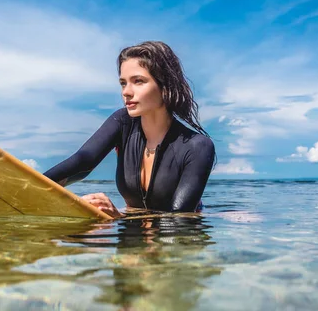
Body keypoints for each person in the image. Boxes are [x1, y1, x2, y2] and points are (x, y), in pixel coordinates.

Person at [44, 41, 215, 218]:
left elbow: (179, 221)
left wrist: (118, 218)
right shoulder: (122, 122)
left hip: (178, 233)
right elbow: (84, 160)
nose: (126, 92)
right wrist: (31, 185)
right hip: (134, 225)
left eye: (138, 81)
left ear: (165, 86)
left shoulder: (197, 147)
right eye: (123, 83)